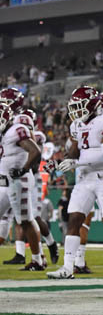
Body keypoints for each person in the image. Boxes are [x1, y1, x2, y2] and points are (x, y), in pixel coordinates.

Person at [46, 86, 103, 280]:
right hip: (84, 178)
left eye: (79, 106)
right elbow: (74, 153)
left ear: (92, 104)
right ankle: (68, 267)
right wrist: (58, 163)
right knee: (74, 219)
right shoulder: (76, 125)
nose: (76, 111)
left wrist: (76, 162)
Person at [0, 103, 44, 271]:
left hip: (19, 182)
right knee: (23, 220)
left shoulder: (16, 130)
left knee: (25, 220)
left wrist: (23, 169)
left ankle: (37, 260)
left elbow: (35, 151)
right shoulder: (4, 134)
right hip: (4, 183)